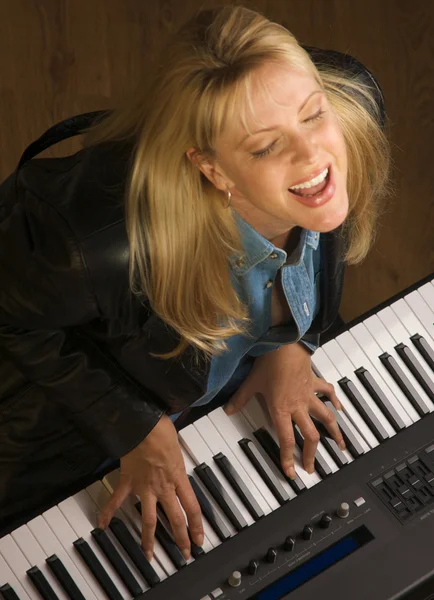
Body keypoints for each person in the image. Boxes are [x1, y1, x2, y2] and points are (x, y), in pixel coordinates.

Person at [0, 5, 394, 561]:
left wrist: (293, 345)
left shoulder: (350, 111)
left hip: (203, 373)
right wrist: (134, 428)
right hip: (75, 413)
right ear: (212, 169)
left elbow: (321, 207)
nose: (315, 156)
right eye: (266, 147)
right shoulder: (94, 247)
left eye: (312, 115)